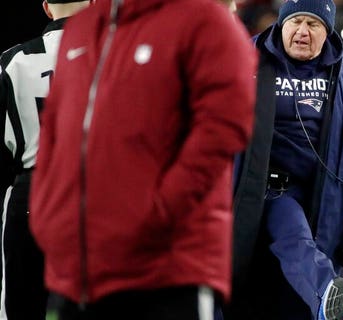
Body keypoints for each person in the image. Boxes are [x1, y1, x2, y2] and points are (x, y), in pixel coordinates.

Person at [28, 0, 257, 319]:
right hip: (75, 275)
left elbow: (223, 128)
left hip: (165, 275)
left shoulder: (205, 21)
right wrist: (47, 215)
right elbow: (53, 132)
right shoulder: (81, 28)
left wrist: (157, 213)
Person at [234, 0, 343, 319]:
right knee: (288, 222)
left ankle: (323, 298)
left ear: (328, 30)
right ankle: (325, 292)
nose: (302, 32)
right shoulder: (243, 59)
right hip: (258, 193)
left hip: (327, 202)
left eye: (313, 24)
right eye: (295, 22)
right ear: (281, 25)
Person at [0, 1, 91, 319]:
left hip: (32, 192)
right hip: (94, 194)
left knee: (22, 306)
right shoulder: (115, 55)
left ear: (47, 9)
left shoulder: (13, 60)